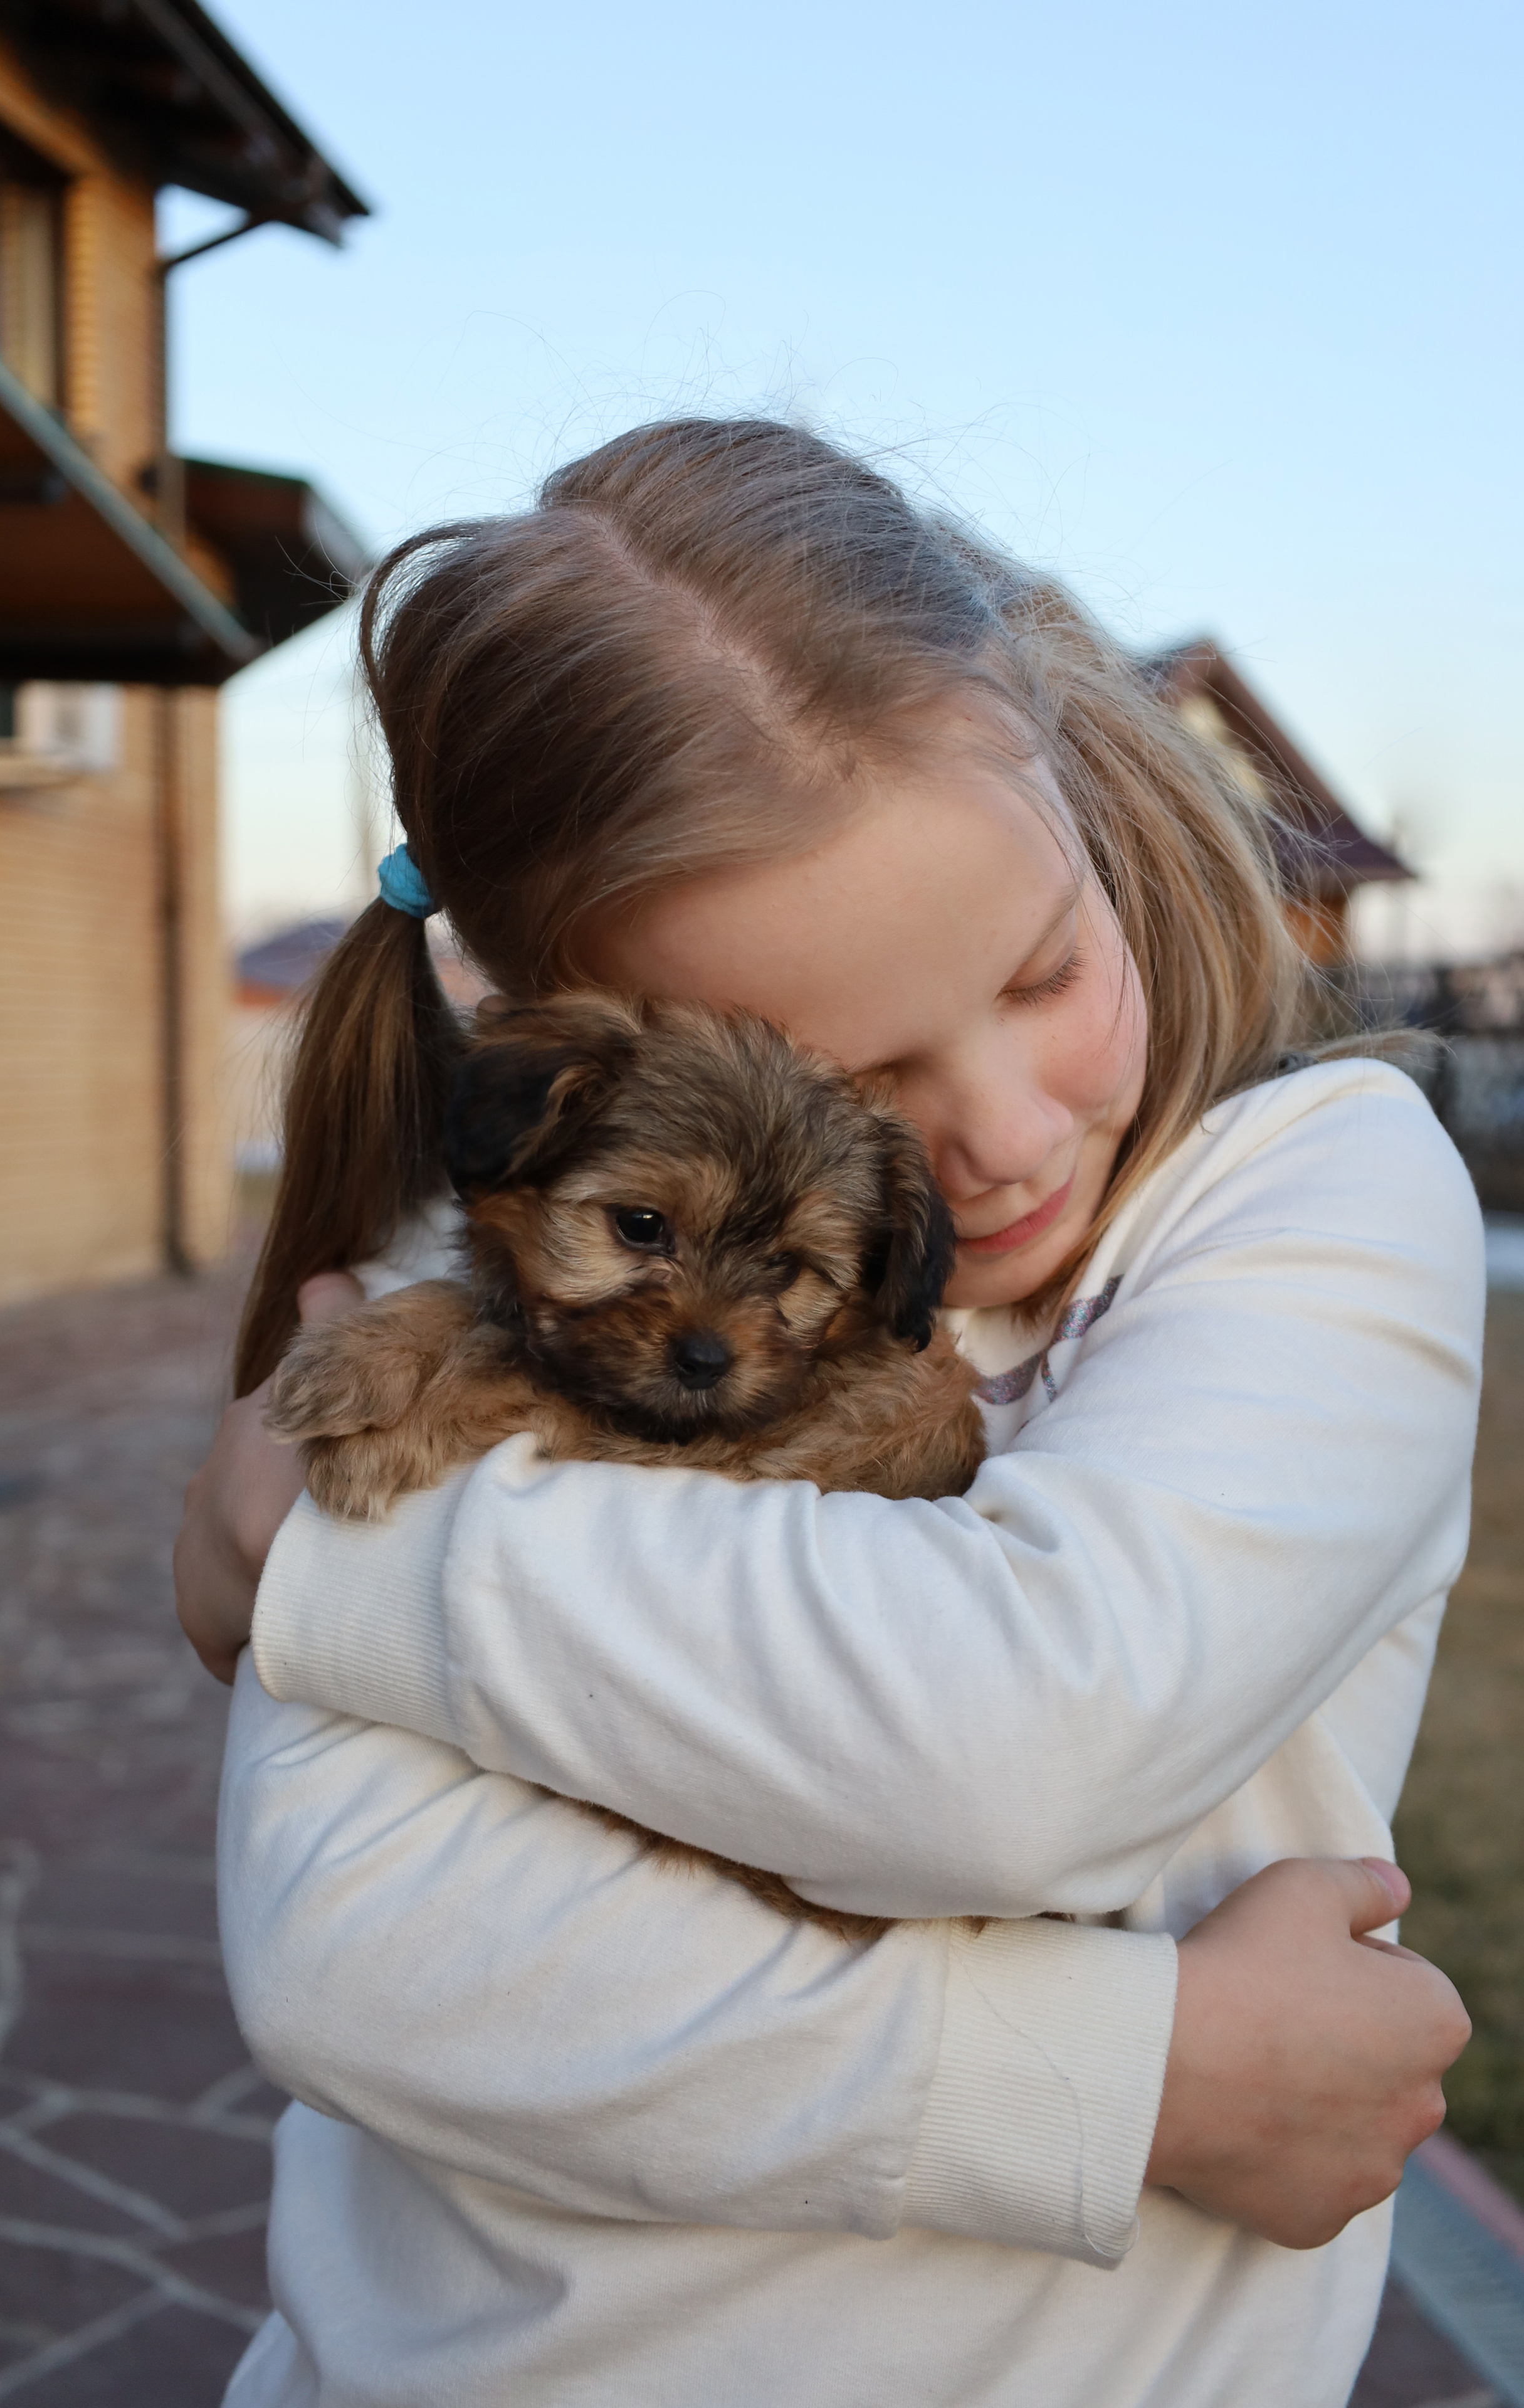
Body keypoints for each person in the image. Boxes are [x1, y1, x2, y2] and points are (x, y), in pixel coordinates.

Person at [178, 420, 1480, 2408]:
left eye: (1045, 969)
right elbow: (349, 1960)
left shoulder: (1316, 1201)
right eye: (852, 1089)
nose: (1007, 1133)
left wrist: (331, 1567)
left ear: (1075, 784)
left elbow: (1023, 1746)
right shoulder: (486, 1294)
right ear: (568, 1056)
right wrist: (1138, 2079)